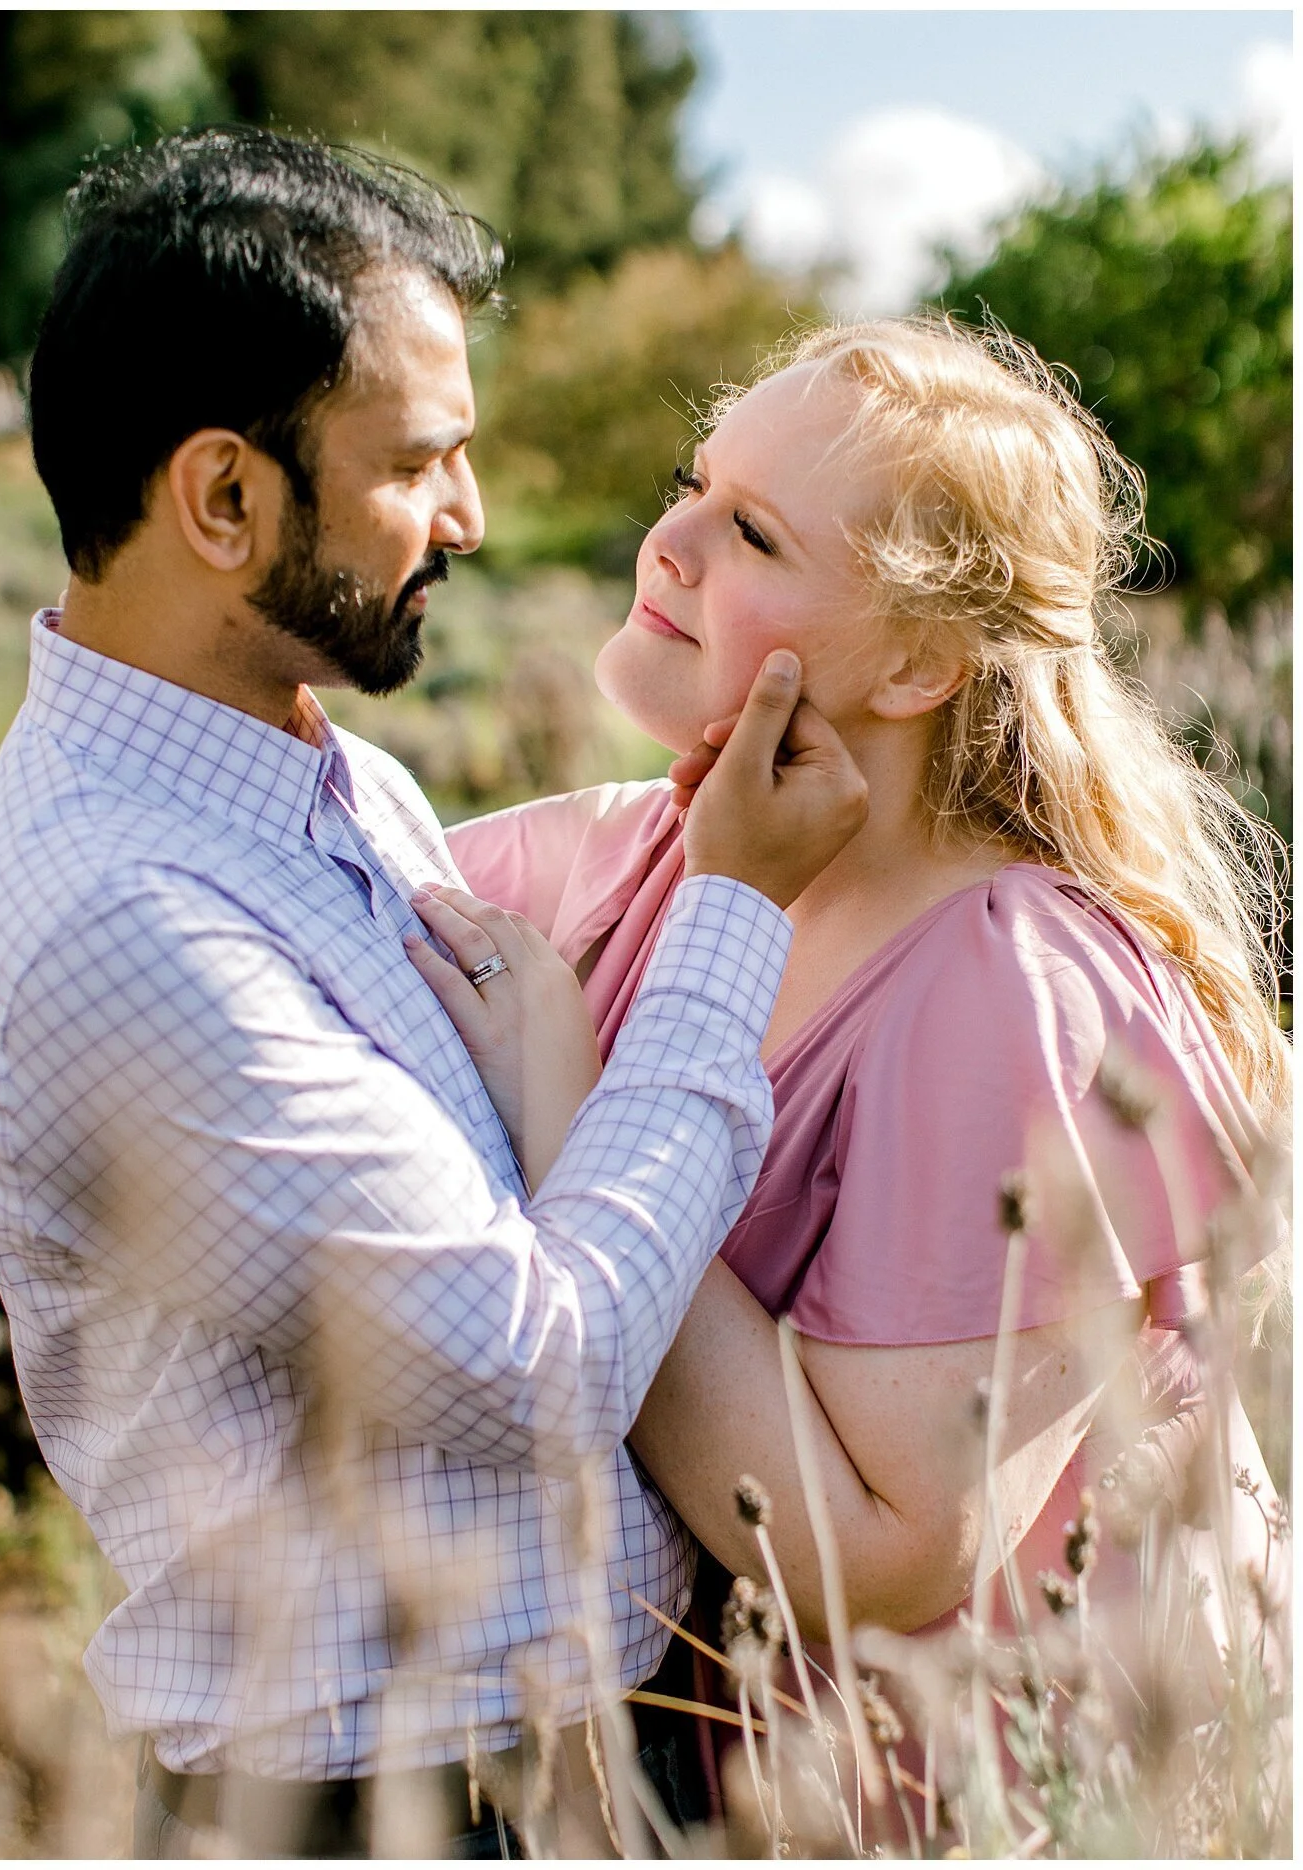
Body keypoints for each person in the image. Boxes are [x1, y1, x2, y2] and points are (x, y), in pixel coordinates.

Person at [0, 128, 871, 1859]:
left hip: (570, 1748)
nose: (474, 518)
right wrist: (733, 902)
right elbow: (538, 1368)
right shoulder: (116, 916)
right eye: (422, 462)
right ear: (225, 499)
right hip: (396, 1807)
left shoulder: (310, 763)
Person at [437, 315, 1290, 1837]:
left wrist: (568, 1105)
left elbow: (890, 1551)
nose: (671, 539)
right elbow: (324, 906)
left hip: (1028, 1803)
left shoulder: (1004, 982)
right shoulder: (649, 845)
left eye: (751, 528)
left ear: (915, 660)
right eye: (691, 484)